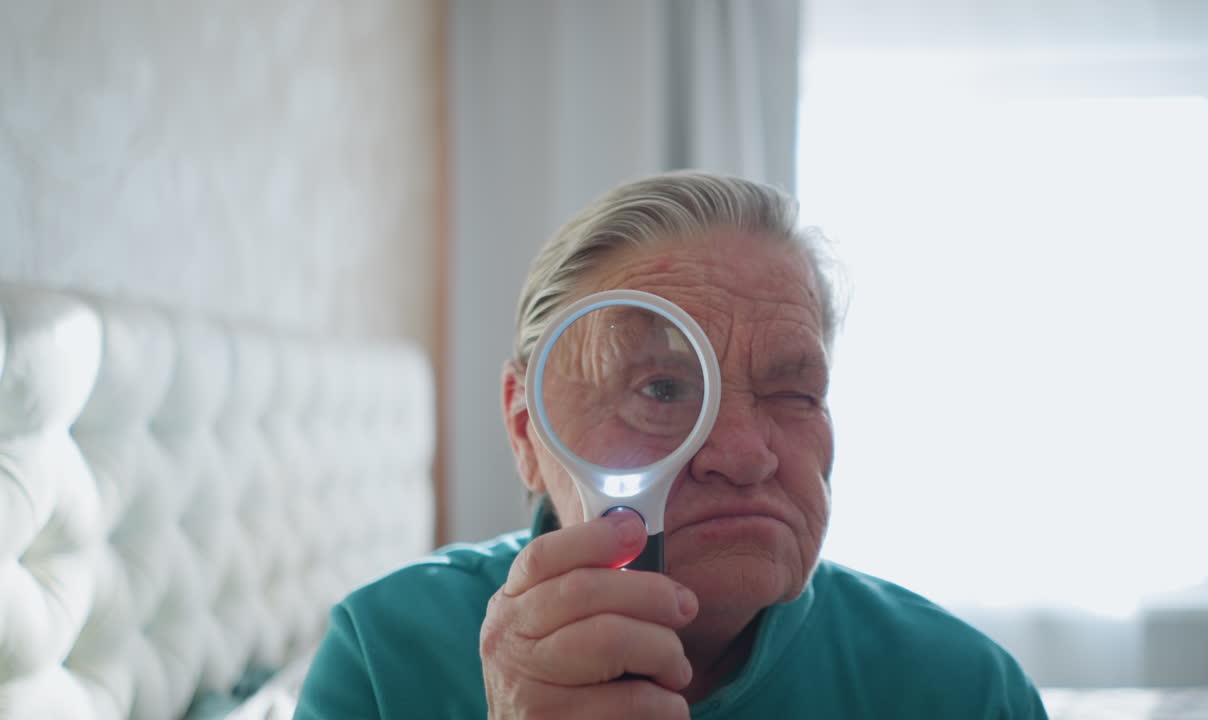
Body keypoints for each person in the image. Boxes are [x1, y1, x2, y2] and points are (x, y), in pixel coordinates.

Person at [293, 172, 1049, 719]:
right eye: (662, 389)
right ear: (527, 430)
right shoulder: (384, 662)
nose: (748, 453)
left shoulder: (964, 691)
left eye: (794, 393)